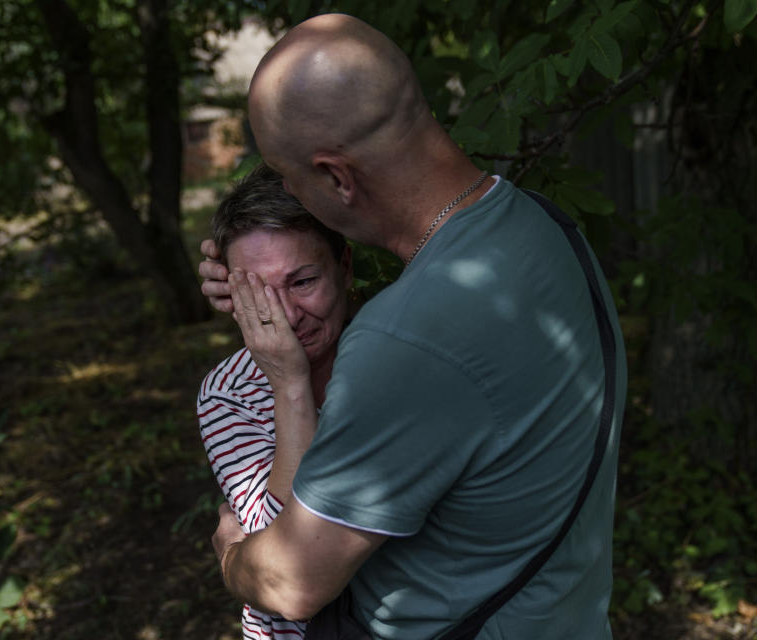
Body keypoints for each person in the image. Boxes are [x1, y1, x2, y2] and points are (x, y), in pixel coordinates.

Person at [199, 13, 627, 640]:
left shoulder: (402, 340)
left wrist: (233, 556)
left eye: (290, 179)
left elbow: (292, 584)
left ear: (336, 177)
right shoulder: (545, 228)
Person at [197, 163, 354, 639]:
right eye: (259, 293)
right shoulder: (230, 393)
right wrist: (290, 384)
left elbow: (299, 567)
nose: (286, 316)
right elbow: (279, 568)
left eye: (302, 281)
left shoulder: (395, 361)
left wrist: (233, 556)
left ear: (344, 269)